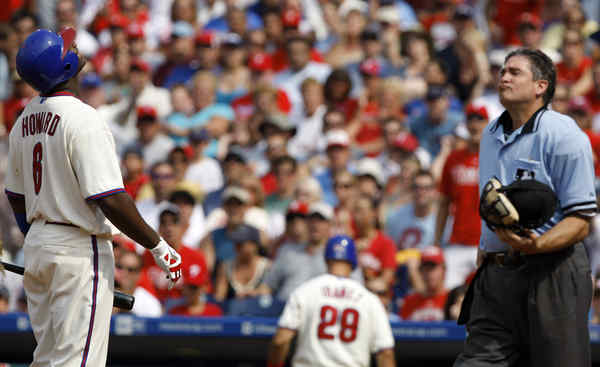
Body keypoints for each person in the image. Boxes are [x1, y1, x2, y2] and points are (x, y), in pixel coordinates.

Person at [4, 29, 182, 367]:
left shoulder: (24, 119)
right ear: (64, 65)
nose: (73, 45)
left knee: (48, 359)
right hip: (78, 246)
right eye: (67, 46)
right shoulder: (83, 118)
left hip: (40, 244)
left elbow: (15, 196)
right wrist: (158, 246)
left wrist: (43, 240)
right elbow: (110, 197)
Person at [455, 49, 597, 366]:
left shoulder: (564, 134)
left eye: (515, 72)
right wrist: (486, 246)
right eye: (503, 70)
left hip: (553, 270)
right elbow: (492, 199)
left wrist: (537, 244)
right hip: (498, 273)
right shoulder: (490, 134)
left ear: (540, 86)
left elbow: (581, 220)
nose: (503, 76)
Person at [267, 235, 395, 367]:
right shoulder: (369, 300)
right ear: (353, 261)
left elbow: (280, 340)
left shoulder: (305, 291)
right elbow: (386, 354)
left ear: (326, 259)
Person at [399, 246, 448, 321]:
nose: (429, 273)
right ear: (420, 271)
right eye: (425, 268)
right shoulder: (409, 301)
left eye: (433, 267)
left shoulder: (452, 299)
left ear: (443, 269)